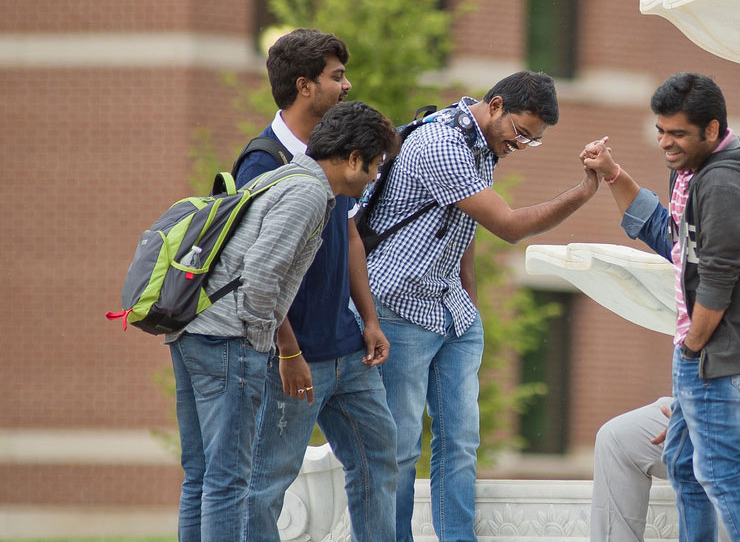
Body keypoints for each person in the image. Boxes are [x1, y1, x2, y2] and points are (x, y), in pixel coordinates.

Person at [361, 70, 604, 542]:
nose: (521, 145)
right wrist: (583, 192)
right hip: (399, 307)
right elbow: (508, 226)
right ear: (495, 106)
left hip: (450, 310)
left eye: (533, 141)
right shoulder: (442, 144)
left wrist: (468, 306)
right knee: (402, 445)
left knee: (461, 441)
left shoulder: (482, 143)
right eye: (521, 133)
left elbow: (461, 224)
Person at [166, 100, 397, 542]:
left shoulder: (294, 178)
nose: (371, 182)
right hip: (227, 341)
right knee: (230, 481)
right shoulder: (308, 193)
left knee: (203, 475)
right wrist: (276, 352)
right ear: (352, 159)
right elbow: (260, 279)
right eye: (372, 169)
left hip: (197, 331)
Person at [578, 71, 740, 542]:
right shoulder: (693, 172)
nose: (666, 143)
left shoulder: (724, 184)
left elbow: (717, 282)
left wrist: (691, 351)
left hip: (716, 354)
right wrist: (614, 174)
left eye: (678, 133)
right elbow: (672, 240)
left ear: (711, 130)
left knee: (720, 474)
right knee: (684, 466)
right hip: (705, 351)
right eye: (660, 131)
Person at [231, 29, 399, 542]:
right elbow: (255, 272)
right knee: (265, 486)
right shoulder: (262, 161)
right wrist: (287, 351)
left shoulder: (338, 151)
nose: (346, 85)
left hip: (347, 349)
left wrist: (367, 318)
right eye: (336, 76)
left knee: (379, 462)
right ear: (305, 86)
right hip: (292, 361)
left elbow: (347, 232)